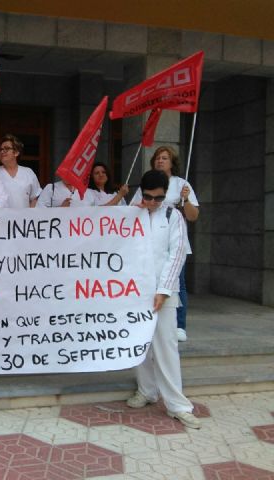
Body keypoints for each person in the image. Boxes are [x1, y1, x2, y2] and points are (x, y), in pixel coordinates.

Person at [126, 169, 201, 430]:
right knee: (140, 345)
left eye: (158, 198)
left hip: (164, 293)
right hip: (135, 292)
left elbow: (177, 253)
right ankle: (147, 390)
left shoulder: (172, 215)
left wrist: (164, 289)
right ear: (142, 192)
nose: (153, 203)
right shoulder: (130, 216)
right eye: (149, 197)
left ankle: (178, 405)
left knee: (166, 347)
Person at [130, 146, 199, 342]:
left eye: (165, 158)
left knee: (178, 284)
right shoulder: (148, 182)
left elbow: (193, 216)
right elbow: (131, 211)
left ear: (172, 162)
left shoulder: (182, 184)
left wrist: (185, 199)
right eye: (158, 158)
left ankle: (180, 325)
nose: (161, 161)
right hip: (151, 242)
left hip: (175, 241)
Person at [0, 134, 41, 208]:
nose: (2, 151)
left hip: (24, 218)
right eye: (1, 149)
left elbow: (35, 198)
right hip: (2, 219)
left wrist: (31, 215)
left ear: (16, 152)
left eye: (6, 148)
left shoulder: (28, 172)